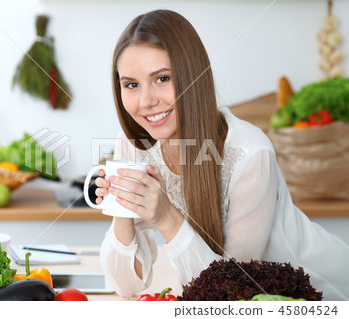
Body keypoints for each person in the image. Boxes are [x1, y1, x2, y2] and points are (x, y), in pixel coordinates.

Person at [95, 9, 349, 300]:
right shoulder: (134, 144)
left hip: (325, 294)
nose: (147, 101)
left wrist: (167, 218)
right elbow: (126, 287)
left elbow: (229, 297)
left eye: (163, 78)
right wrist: (121, 208)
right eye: (131, 84)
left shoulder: (250, 153)